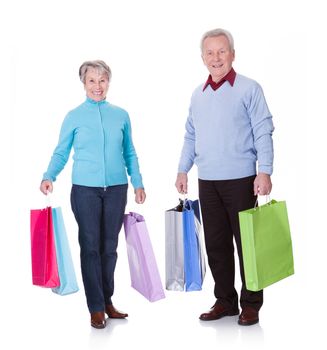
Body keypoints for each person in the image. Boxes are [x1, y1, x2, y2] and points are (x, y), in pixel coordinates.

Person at [175, 29, 274, 326]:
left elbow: (263, 130)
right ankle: (225, 300)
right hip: (208, 181)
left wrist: (264, 170)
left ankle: (251, 304)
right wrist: (183, 168)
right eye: (210, 53)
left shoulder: (249, 89)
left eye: (221, 51)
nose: (215, 58)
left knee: (247, 246)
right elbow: (191, 135)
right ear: (202, 57)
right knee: (216, 244)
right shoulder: (198, 94)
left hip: (242, 179)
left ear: (232, 53)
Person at [40, 60, 146, 329]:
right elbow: (61, 151)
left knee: (109, 248)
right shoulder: (74, 116)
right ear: (83, 84)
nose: (97, 86)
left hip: (116, 189)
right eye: (92, 81)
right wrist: (49, 176)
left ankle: (108, 301)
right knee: (90, 247)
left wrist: (138, 182)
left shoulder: (121, 115)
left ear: (108, 82)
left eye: (102, 80)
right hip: (85, 190)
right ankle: (96, 307)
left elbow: (129, 152)